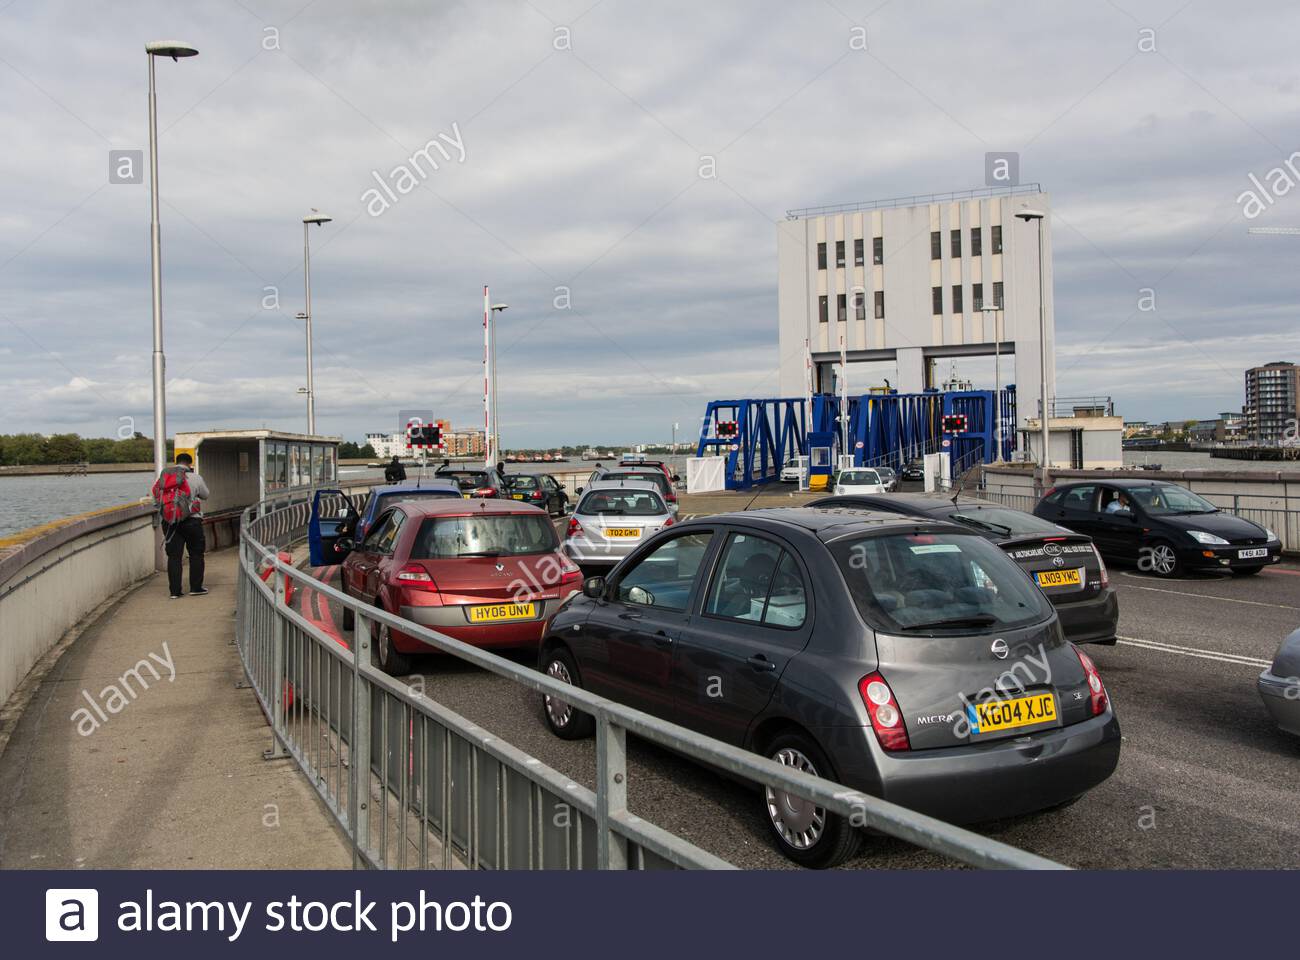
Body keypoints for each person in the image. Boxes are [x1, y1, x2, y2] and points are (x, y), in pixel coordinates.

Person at [151, 452, 209, 599]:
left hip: (170, 522)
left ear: (176, 462)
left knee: (174, 557)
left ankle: (175, 592)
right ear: (190, 464)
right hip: (192, 520)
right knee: (196, 554)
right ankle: (196, 588)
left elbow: (156, 500)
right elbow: (206, 495)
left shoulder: (164, 477)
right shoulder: (195, 477)